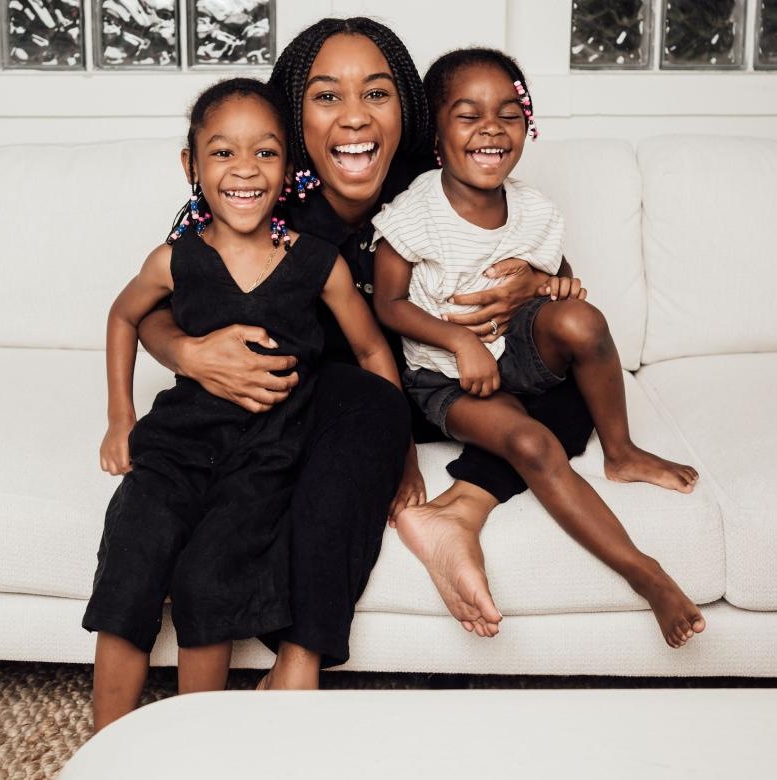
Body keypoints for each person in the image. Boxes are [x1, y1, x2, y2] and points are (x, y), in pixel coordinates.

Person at [137, 17, 596, 682]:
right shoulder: (256, 197)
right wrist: (187, 351)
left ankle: (460, 511)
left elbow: (558, 293)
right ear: (292, 119)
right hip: (328, 405)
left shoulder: (438, 185)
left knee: (576, 357)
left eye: (375, 95)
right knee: (340, 407)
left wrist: (532, 283)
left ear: (405, 112)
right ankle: (299, 656)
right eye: (327, 97)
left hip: (439, 379)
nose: (354, 117)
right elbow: (152, 305)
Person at [83, 77, 403, 732]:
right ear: (191, 166)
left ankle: (200, 744)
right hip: (176, 449)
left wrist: (395, 454)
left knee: (209, 579)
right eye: (223, 153)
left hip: (264, 461)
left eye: (265, 153)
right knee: (133, 559)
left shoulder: (319, 265)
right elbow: (123, 316)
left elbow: (372, 353)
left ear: (288, 170)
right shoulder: (175, 259)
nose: (244, 170)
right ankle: (104, 747)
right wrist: (121, 417)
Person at [373, 47, 705, 649]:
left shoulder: (534, 209)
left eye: (507, 113)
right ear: (437, 136)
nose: (491, 128)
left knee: (582, 320)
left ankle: (623, 451)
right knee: (533, 442)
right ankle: (645, 574)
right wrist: (458, 342)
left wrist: (548, 285)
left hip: (518, 353)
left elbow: (555, 278)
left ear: (526, 126)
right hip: (445, 377)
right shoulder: (415, 213)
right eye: (468, 115)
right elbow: (388, 305)